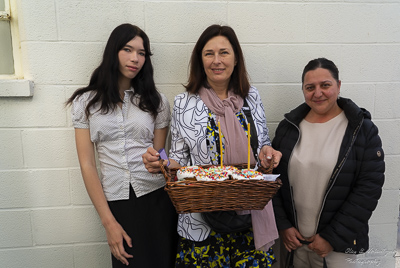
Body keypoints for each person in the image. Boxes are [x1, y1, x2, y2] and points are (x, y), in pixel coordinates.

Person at [143, 24, 282, 267]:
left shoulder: (252, 97)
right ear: (200, 59)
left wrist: (268, 154)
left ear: (236, 58)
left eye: (224, 52)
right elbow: (178, 161)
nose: (216, 60)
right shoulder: (184, 103)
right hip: (200, 223)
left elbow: (262, 147)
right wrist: (162, 162)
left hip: (249, 216)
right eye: (209, 54)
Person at [66, 23, 178, 268]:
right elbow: (87, 165)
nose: (135, 58)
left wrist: (159, 160)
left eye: (141, 53)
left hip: (157, 198)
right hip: (117, 203)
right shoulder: (86, 103)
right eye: (128, 50)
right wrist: (109, 223)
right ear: (113, 51)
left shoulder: (157, 102)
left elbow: (159, 157)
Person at [272, 58, 385, 268]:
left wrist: (332, 237)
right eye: (310, 87)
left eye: (325, 85)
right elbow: (273, 181)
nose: (318, 93)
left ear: (339, 85)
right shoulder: (288, 128)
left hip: (337, 246)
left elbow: (368, 190)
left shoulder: (361, 130)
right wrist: (284, 226)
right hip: (293, 243)